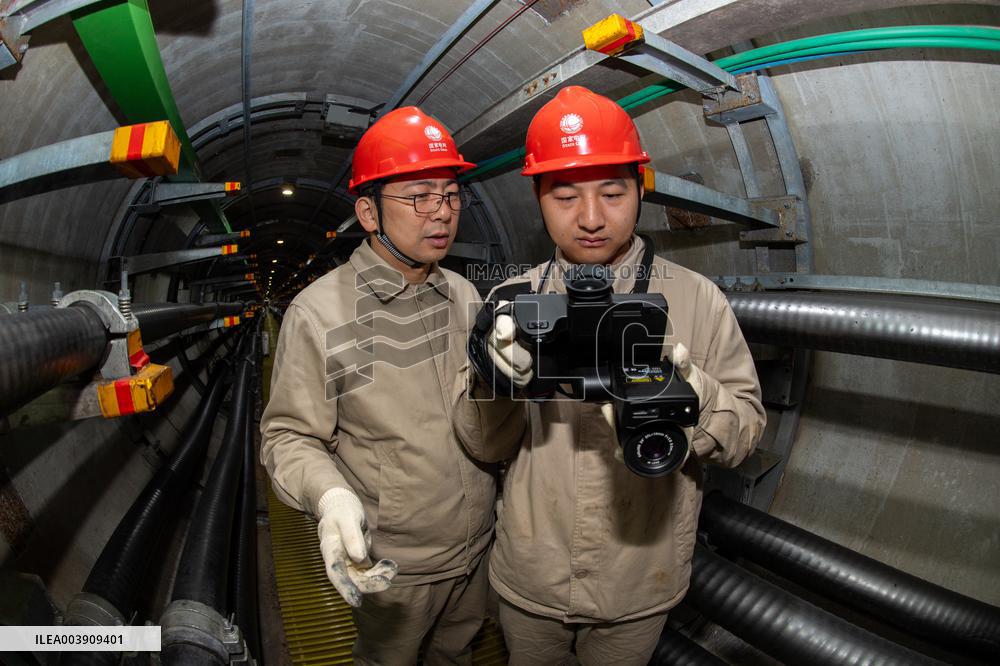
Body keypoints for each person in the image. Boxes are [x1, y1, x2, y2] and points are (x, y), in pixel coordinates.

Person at [454, 86, 766, 665]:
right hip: (532, 579)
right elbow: (480, 443)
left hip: (637, 582)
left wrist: (694, 397)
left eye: (613, 192)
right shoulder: (509, 302)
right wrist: (492, 384)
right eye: (566, 196)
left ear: (639, 190)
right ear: (538, 197)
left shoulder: (696, 299)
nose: (592, 218)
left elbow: (745, 433)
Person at [261, 107, 496, 665]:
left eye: (450, 194)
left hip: (478, 547)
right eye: (418, 197)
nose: (441, 213)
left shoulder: (465, 296)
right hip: (397, 564)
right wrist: (330, 495)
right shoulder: (320, 313)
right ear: (369, 212)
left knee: (457, 655)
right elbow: (288, 436)